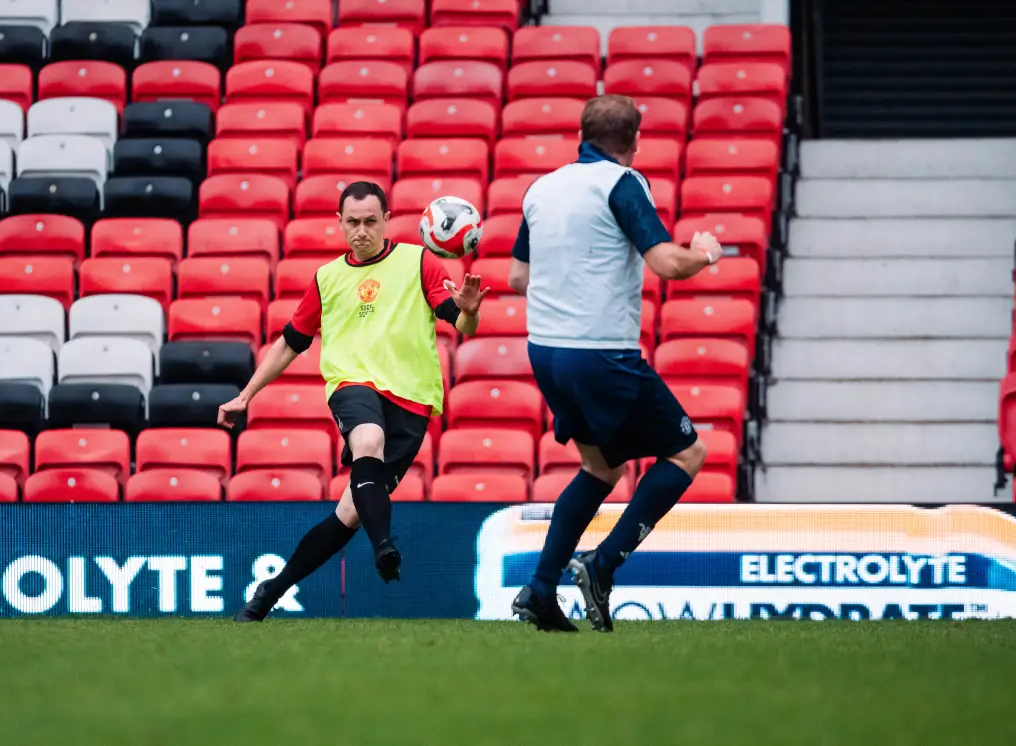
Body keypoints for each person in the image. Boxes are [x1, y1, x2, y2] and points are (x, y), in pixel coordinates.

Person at [220, 181, 490, 622]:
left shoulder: (418, 260)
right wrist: (245, 396)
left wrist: (470, 310)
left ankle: (271, 591)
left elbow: (461, 324)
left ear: (386, 220)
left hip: (412, 399)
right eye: (352, 222)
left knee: (348, 514)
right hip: (352, 385)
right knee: (367, 439)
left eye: (370, 221)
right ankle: (384, 545)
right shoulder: (327, 279)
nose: (361, 231)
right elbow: (291, 342)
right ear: (340, 224)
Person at [507, 94, 725, 633]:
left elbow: (517, 277)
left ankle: (540, 589)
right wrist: (706, 253)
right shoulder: (622, 183)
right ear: (635, 141)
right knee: (688, 452)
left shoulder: (542, 187)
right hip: (601, 350)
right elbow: (666, 262)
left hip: (547, 352)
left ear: (581, 132)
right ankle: (602, 565)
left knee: (601, 468)